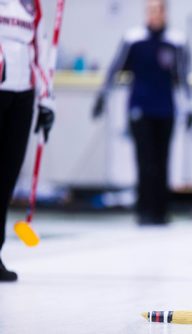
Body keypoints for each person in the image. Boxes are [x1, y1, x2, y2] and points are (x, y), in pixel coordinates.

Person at [92, 0, 192, 225]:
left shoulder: (176, 41)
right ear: (146, 13)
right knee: (145, 160)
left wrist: (189, 107)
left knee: (163, 160)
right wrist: (102, 96)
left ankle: (161, 211)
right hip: (140, 108)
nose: (155, 14)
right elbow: (115, 68)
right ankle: (144, 210)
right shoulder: (133, 39)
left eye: (159, 10)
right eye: (151, 10)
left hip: (166, 109)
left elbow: (183, 78)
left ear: (165, 13)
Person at [0, 0, 55, 281]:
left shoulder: (31, 5)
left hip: (23, 93)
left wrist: (47, 100)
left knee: (7, 176)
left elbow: (42, 51)